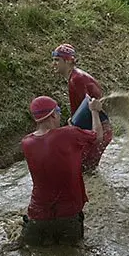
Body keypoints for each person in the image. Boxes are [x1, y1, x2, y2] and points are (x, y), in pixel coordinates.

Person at [20, 96, 103, 245]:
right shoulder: (69, 134)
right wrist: (94, 112)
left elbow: (51, 143)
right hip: (68, 218)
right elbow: (98, 136)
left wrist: (70, 129)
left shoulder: (26, 143)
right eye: (58, 111)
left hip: (37, 218)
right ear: (53, 114)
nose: (59, 114)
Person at [51, 44, 113, 172]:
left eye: (57, 60)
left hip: (98, 130)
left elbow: (91, 106)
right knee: (86, 171)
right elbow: (84, 107)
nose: (54, 63)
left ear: (67, 61)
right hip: (98, 129)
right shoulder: (75, 77)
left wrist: (74, 126)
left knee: (83, 170)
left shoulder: (76, 79)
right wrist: (73, 121)